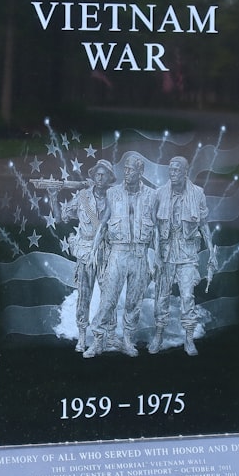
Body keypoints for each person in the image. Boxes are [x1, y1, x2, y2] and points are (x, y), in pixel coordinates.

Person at [84, 151, 157, 358]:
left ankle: (127, 340)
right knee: (108, 299)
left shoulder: (151, 195)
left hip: (140, 254)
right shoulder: (113, 193)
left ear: (140, 171)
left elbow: (157, 230)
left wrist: (156, 257)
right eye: (124, 169)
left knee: (134, 301)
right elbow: (104, 224)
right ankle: (98, 341)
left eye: (131, 169)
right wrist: (93, 251)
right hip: (119, 252)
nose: (126, 173)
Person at [148, 155, 216, 356]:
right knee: (162, 297)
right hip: (165, 253)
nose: (173, 173)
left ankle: (188, 339)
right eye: (170, 170)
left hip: (187, 253)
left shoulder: (197, 193)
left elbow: (203, 223)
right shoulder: (159, 194)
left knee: (187, 296)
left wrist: (211, 250)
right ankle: (158, 335)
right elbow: (153, 227)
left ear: (185, 171)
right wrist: (155, 255)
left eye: (177, 170)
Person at [48, 159, 114, 351]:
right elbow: (61, 218)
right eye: (97, 174)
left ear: (110, 178)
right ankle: (83, 336)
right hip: (85, 251)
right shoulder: (83, 198)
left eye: (104, 174)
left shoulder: (115, 198)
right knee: (84, 295)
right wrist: (53, 197)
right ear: (93, 177)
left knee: (108, 296)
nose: (100, 178)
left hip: (107, 251)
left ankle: (107, 336)